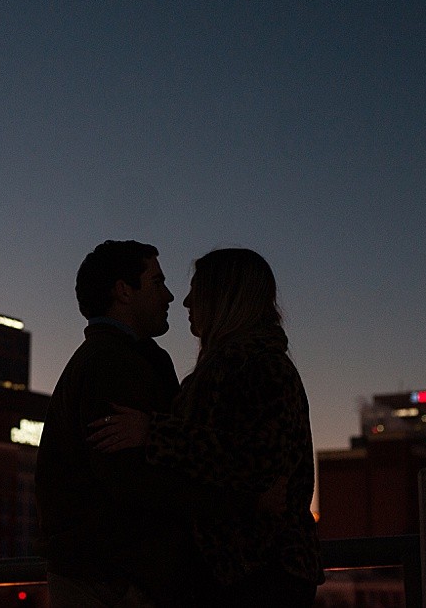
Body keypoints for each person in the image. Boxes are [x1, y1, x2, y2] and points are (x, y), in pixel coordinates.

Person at [89, 248, 324, 607]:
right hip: (245, 573)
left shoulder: (258, 366)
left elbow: (252, 460)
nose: (184, 301)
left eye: (196, 289)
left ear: (223, 297)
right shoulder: (240, 365)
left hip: (254, 576)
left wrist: (154, 433)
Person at [34, 240, 212, 607]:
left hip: (102, 574)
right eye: (157, 282)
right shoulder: (113, 365)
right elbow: (130, 478)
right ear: (123, 291)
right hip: (115, 582)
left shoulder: (108, 359)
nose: (170, 296)